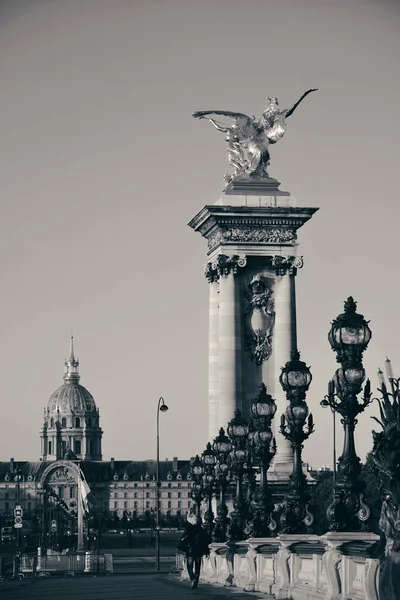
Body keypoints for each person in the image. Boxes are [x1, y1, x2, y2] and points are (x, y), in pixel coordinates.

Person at [178, 511, 210, 589]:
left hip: (191, 551)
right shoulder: (202, 530)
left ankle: (192, 578)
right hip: (199, 551)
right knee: (198, 566)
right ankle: (196, 579)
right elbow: (205, 541)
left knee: (189, 566)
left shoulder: (189, 529)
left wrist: (182, 547)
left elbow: (183, 539)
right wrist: (206, 551)